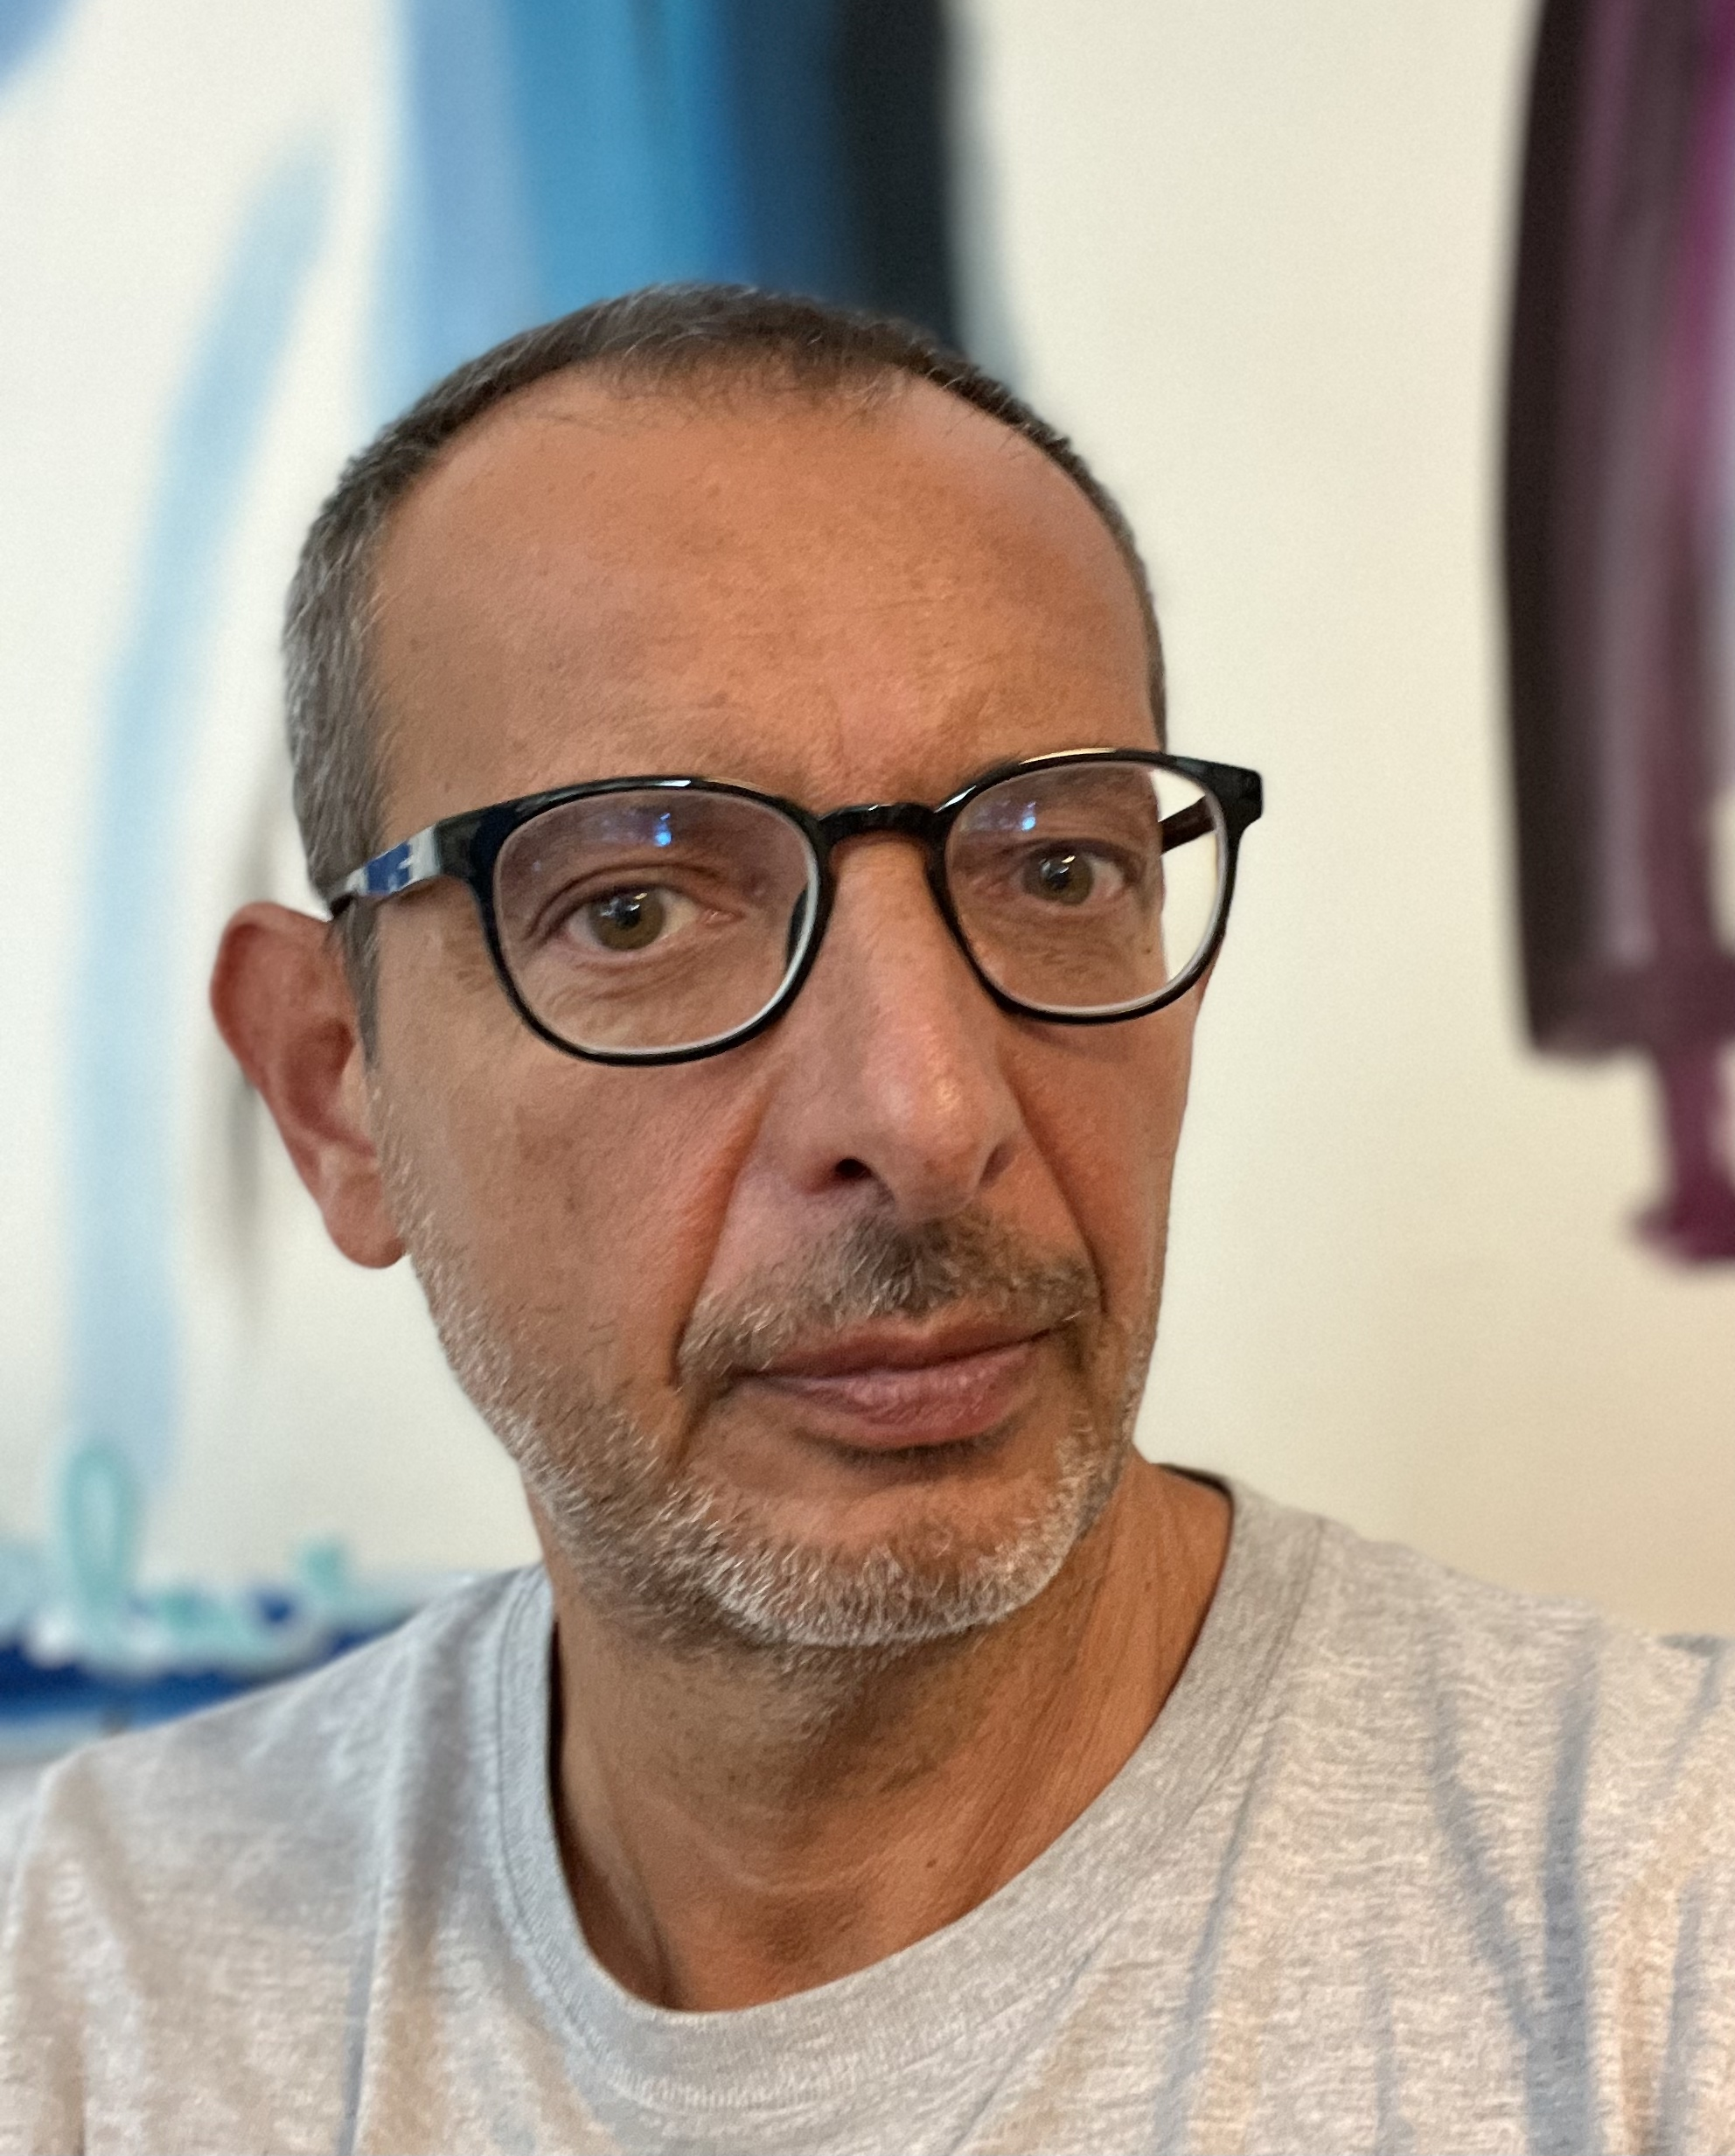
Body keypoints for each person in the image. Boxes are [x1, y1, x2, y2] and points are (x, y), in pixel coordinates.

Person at [1, 284, 1729, 2156]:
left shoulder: (1660, 1931)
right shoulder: (84, 1985)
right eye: (637, 906)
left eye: (1057, 868)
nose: (926, 1114)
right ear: (334, 1086)